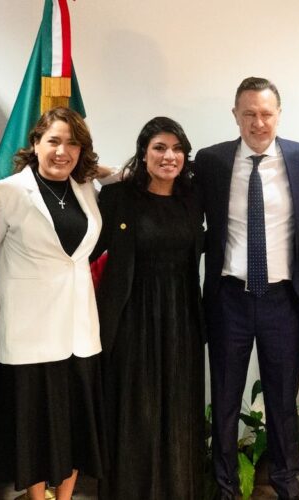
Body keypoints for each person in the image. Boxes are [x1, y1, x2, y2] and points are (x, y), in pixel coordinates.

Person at [195, 76, 299, 499]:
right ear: (235, 115)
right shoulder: (211, 161)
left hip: (282, 300)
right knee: (225, 400)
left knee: (282, 402)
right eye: (249, 113)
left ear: (279, 115)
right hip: (229, 298)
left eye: (266, 113)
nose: (258, 122)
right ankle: (225, 489)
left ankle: (287, 486)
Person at [0, 107, 105, 500]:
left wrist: (102, 170)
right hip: (29, 333)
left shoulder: (86, 189)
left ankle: (64, 498)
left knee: (76, 426)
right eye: (53, 141)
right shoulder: (8, 192)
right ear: (35, 143)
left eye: (72, 143)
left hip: (79, 331)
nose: (62, 151)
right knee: (32, 428)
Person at [93, 116, 205, 499]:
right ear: (144, 153)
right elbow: (88, 249)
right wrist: (108, 171)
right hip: (132, 316)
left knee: (178, 408)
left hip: (182, 317)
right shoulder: (118, 198)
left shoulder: (193, 197)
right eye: (159, 148)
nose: (169, 156)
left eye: (177, 149)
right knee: (135, 408)